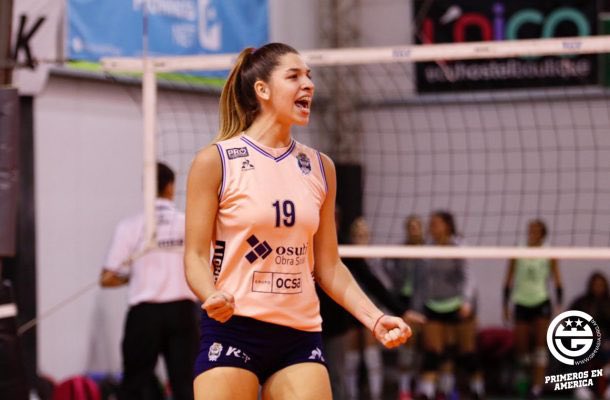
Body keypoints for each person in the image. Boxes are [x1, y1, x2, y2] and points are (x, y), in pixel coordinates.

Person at [184, 42, 411, 400]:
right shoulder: (216, 161)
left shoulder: (321, 167)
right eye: (294, 76)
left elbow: (329, 265)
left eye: (309, 76)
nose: (308, 84)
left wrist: (375, 318)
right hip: (234, 327)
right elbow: (195, 256)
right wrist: (210, 294)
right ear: (262, 90)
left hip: (299, 334)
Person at [100, 162, 199, 400]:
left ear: (146, 188)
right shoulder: (189, 223)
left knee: (134, 386)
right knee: (187, 387)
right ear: (170, 187)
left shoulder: (130, 226)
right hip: (182, 313)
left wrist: (136, 276)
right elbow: (207, 266)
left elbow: (107, 278)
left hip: (144, 315)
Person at [343, 217, 421, 400]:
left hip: (371, 308)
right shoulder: (345, 256)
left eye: (364, 234)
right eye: (357, 234)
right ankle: (350, 395)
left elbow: (384, 285)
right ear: (352, 237)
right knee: (351, 356)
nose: (360, 238)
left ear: (369, 237)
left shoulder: (376, 258)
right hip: (349, 309)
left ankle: (376, 395)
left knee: (371, 354)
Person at [414, 211, 484, 400]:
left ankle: (477, 390)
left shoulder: (458, 246)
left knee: (467, 353)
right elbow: (421, 281)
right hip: (433, 305)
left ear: (447, 225)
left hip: (457, 304)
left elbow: (468, 277)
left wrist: (467, 302)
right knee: (433, 353)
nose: (431, 226)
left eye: (436, 223)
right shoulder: (426, 249)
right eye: (431, 223)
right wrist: (417, 308)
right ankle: (427, 392)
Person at [503, 219, 562, 399]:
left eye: (536, 230)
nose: (532, 232)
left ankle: (537, 387)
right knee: (522, 349)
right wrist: (505, 305)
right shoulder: (518, 250)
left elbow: (557, 280)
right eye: (530, 229)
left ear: (543, 233)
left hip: (541, 301)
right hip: (521, 301)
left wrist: (559, 305)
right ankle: (527, 377)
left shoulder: (549, 252)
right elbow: (508, 279)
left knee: (540, 347)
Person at [386, 214, 427, 400]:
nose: (414, 230)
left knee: (423, 346)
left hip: (424, 303)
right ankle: (404, 389)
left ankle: (420, 386)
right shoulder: (400, 251)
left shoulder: (429, 251)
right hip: (403, 301)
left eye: (417, 227)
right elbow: (387, 266)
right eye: (411, 227)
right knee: (406, 344)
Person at [568, 272, 610, 400]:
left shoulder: (608, 303)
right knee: (580, 347)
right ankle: (581, 386)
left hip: (605, 342)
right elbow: (568, 322)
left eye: (601, 285)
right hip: (584, 341)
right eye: (596, 285)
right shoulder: (581, 302)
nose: (598, 288)